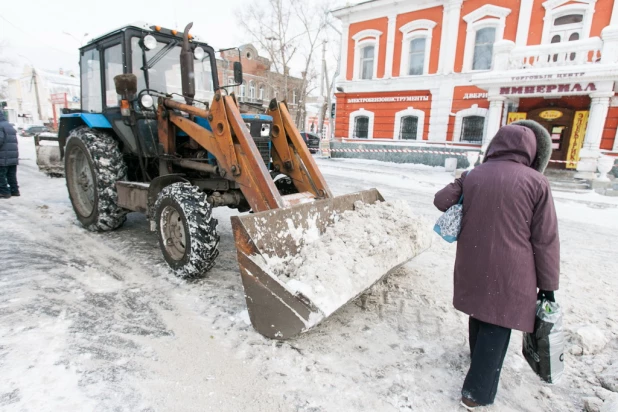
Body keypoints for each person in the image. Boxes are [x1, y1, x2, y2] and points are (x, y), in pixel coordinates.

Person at [433, 120, 560, 409]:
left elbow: (441, 201)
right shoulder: (537, 182)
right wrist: (549, 286)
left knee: (480, 312)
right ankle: (475, 394)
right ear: (531, 150)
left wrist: (463, 179)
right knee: (497, 323)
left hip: (473, 261)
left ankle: (476, 362)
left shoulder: (474, 174)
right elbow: (546, 239)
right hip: (514, 269)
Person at [0, 112, 20, 198]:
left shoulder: (0, 126)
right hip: (12, 155)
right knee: (11, 174)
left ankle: (4, 192)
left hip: (3, 156)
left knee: (1, 175)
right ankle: (14, 190)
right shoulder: (9, 125)